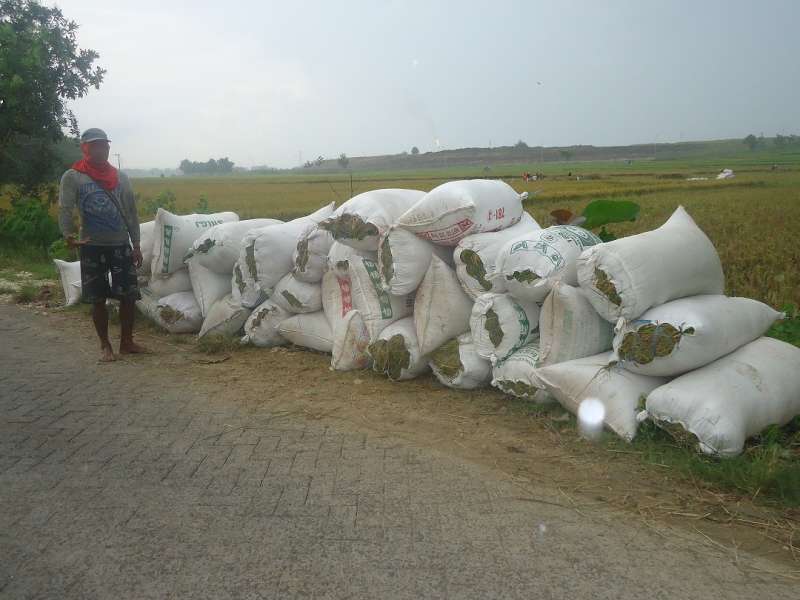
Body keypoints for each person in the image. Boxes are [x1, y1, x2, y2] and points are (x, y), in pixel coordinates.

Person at [59, 128, 148, 362]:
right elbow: (65, 208)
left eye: (105, 146)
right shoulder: (73, 176)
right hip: (91, 245)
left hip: (120, 244)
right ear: (85, 149)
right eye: (96, 146)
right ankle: (105, 346)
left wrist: (136, 243)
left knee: (128, 295)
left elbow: (131, 212)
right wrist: (68, 235)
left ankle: (127, 342)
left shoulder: (121, 177)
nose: (102, 150)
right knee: (97, 298)